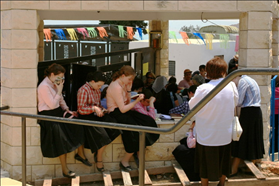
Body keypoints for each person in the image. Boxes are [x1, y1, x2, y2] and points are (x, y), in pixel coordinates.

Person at [189, 57, 238, 186]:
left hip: (206, 132)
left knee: (204, 163)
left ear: (208, 72)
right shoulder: (231, 86)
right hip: (224, 132)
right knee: (224, 160)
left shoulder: (202, 88)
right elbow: (236, 102)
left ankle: (204, 184)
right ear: (223, 71)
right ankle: (221, 183)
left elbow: (192, 107)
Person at [37, 63, 89, 178]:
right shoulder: (44, 86)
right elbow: (52, 104)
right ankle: (65, 170)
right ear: (52, 74)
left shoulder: (54, 83)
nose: (61, 79)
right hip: (48, 115)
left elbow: (60, 100)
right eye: (59, 77)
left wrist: (67, 110)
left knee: (78, 124)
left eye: (62, 77)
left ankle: (80, 154)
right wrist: (59, 89)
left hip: (58, 112)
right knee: (61, 139)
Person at [106, 66, 160, 171]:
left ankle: (138, 154)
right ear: (123, 76)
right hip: (116, 113)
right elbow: (122, 109)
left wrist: (129, 90)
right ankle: (125, 160)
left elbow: (126, 103)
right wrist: (136, 101)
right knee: (135, 132)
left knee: (147, 121)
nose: (130, 81)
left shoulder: (121, 85)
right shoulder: (116, 87)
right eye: (129, 79)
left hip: (123, 112)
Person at [77, 71, 121, 172]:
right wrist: (94, 109)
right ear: (92, 81)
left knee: (114, 128)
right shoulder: (83, 90)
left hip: (96, 115)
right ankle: (99, 159)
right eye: (99, 85)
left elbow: (98, 104)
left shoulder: (97, 90)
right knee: (103, 136)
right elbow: (81, 109)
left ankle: (98, 154)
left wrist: (102, 109)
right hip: (86, 117)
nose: (100, 87)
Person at [230, 74, 265, 176]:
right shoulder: (250, 80)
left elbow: (239, 101)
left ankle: (234, 168)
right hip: (256, 111)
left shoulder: (242, 82)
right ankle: (251, 167)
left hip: (248, 111)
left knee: (241, 139)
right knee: (253, 139)